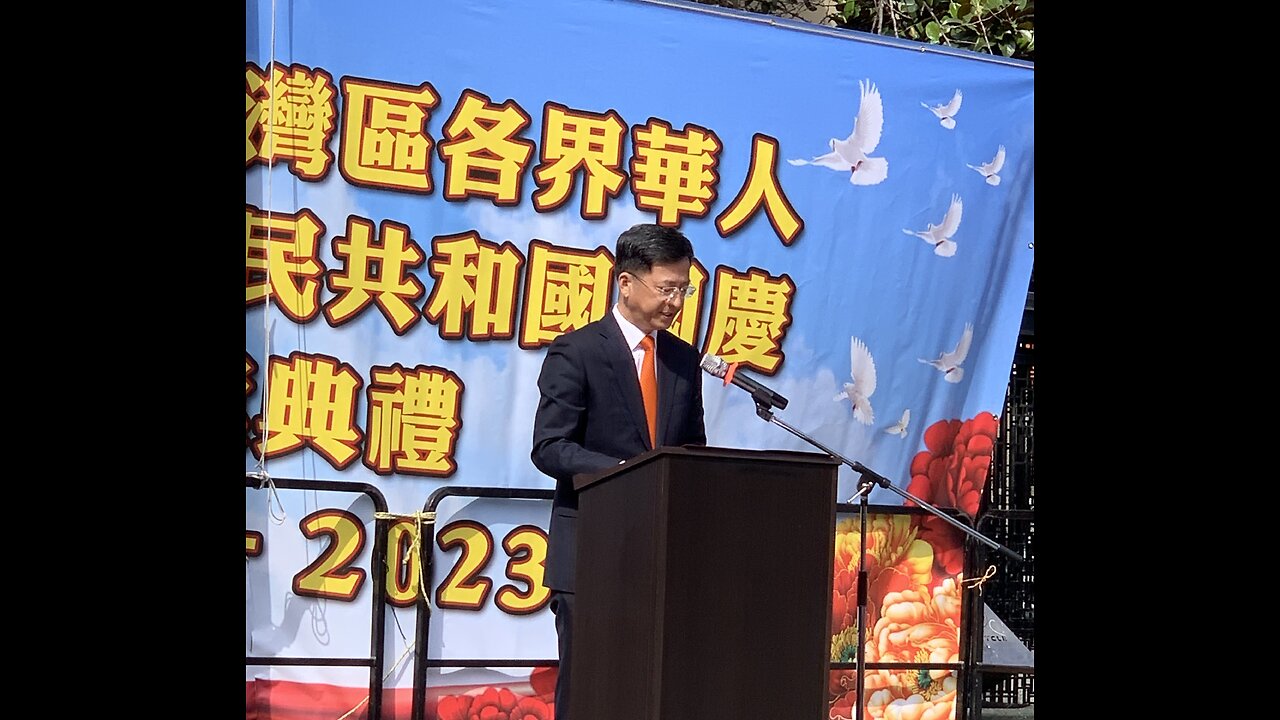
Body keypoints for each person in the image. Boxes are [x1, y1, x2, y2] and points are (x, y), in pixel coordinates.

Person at [530, 223, 708, 720]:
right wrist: (630, 472)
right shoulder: (579, 351)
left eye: (684, 290)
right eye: (666, 289)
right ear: (626, 282)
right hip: (592, 549)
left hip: (662, 554)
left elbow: (692, 444)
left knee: (654, 685)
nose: (675, 302)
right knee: (590, 684)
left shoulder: (682, 359)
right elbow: (550, 447)